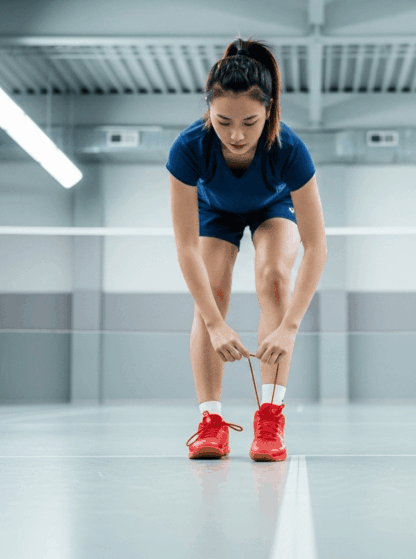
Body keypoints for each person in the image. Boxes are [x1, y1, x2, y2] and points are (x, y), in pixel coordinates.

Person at [167, 38, 327, 462]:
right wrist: (216, 324)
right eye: (223, 122)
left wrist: (289, 326)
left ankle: (270, 418)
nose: (236, 136)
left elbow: (317, 247)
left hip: (272, 206)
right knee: (212, 293)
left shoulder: (290, 150)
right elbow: (185, 248)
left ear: (269, 112)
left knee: (274, 278)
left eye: (250, 122)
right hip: (214, 210)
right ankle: (211, 422)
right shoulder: (188, 149)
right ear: (208, 110)